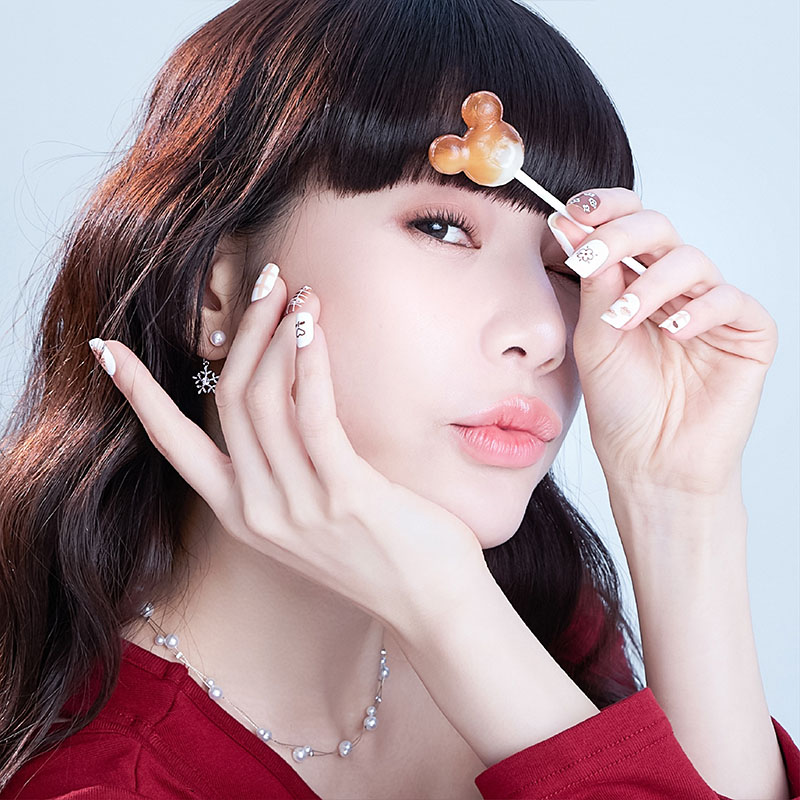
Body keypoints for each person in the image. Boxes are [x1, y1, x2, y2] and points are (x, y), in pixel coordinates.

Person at [0, 0, 797, 798]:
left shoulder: (540, 617)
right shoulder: (102, 786)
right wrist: (450, 613)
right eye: (444, 228)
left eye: (566, 265)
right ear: (214, 293)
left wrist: (678, 502)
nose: (544, 332)